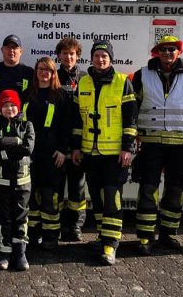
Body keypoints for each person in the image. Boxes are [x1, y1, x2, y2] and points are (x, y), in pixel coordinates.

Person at [130, 35, 183, 255]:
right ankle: (145, 237)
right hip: (151, 144)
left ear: (178, 52)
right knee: (148, 190)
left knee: (175, 191)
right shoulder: (142, 75)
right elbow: (132, 110)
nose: (167, 53)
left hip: (180, 146)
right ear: (157, 52)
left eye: (172, 49)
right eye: (163, 49)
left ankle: (169, 234)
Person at [70, 40, 137, 266]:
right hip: (91, 153)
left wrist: (128, 148)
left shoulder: (122, 83)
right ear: (91, 58)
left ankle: (111, 245)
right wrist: (77, 147)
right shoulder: (84, 82)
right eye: (97, 55)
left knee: (112, 199)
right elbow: (78, 120)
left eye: (104, 56)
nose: (100, 59)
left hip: (114, 155)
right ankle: (101, 237)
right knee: (97, 199)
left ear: (111, 59)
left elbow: (131, 119)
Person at [0, 35, 35, 237]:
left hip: (20, 131)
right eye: (8, 48)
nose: (12, 51)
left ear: (21, 51)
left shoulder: (29, 73)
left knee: (19, 187)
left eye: (15, 48)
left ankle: (15, 229)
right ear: (2, 50)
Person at [24, 57, 72, 250]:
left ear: (54, 74)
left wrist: (62, 150)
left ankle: (51, 236)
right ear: (36, 72)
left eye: (48, 70)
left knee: (49, 196)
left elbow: (66, 126)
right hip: (29, 155)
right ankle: (33, 234)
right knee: (30, 196)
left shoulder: (61, 96)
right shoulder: (27, 94)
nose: (44, 72)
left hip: (52, 155)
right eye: (41, 69)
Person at [0, 89, 34, 271]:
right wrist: (17, 142)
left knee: (21, 218)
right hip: (1, 181)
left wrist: (5, 150)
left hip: (23, 180)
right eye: (5, 105)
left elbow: (28, 148)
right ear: (1, 107)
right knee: (4, 218)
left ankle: (20, 253)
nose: (9, 108)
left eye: (13, 105)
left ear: (18, 106)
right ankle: (4, 253)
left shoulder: (27, 125)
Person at [54, 37, 86, 242]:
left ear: (78, 56)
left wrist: (78, 146)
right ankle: (54, 225)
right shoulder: (52, 76)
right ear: (58, 56)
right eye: (64, 53)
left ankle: (75, 225)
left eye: (72, 54)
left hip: (79, 142)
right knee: (55, 187)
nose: (68, 57)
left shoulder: (85, 78)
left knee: (77, 187)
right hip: (56, 141)